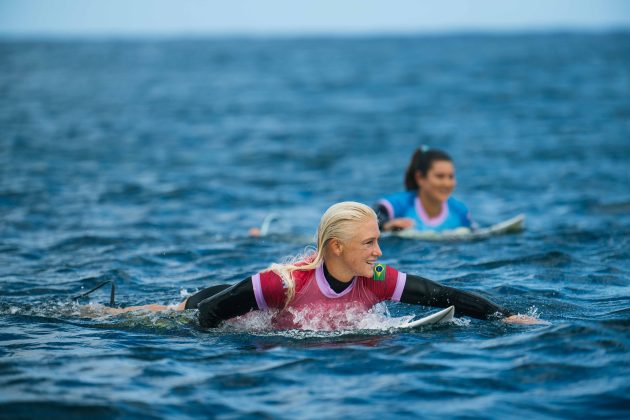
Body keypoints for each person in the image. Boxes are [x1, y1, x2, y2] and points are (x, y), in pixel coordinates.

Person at [106, 202, 541, 328]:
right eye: (369, 243)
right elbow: (210, 314)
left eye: (378, 241)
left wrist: (504, 317)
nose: (378, 252)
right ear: (335, 247)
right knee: (166, 314)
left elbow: (440, 295)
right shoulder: (283, 284)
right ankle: (108, 313)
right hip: (216, 301)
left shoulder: (373, 280)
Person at [374, 146, 475, 233]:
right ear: (420, 178)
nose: (447, 183)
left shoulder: (460, 212)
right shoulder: (398, 205)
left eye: (451, 177)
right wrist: (386, 226)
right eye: (440, 176)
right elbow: (370, 220)